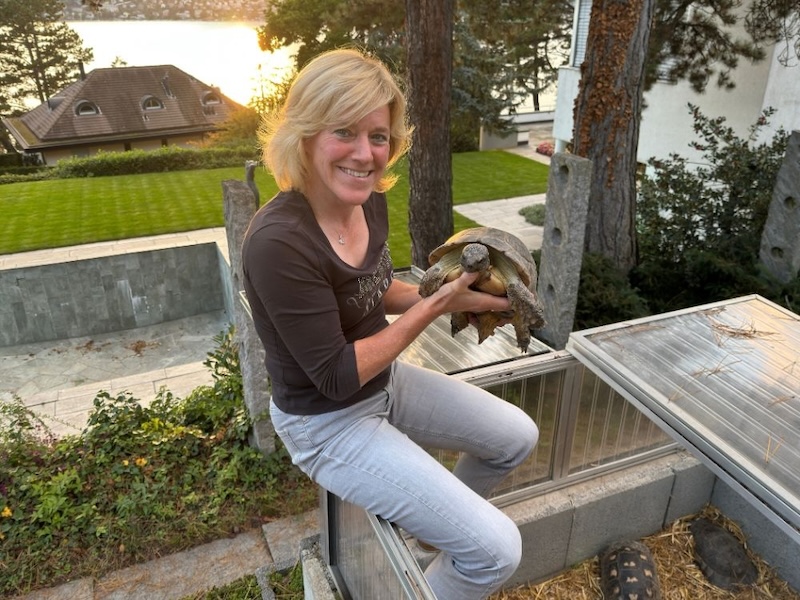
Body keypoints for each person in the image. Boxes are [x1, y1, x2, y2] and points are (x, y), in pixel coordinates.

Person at [242, 47, 539, 600]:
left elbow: (379, 291)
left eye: (378, 136)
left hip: (382, 385)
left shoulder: (367, 199)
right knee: (496, 554)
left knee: (516, 438)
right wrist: (436, 305)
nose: (365, 154)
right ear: (304, 135)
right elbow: (334, 376)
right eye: (344, 132)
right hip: (325, 423)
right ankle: (455, 554)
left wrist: (447, 296)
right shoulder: (277, 243)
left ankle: (435, 542)